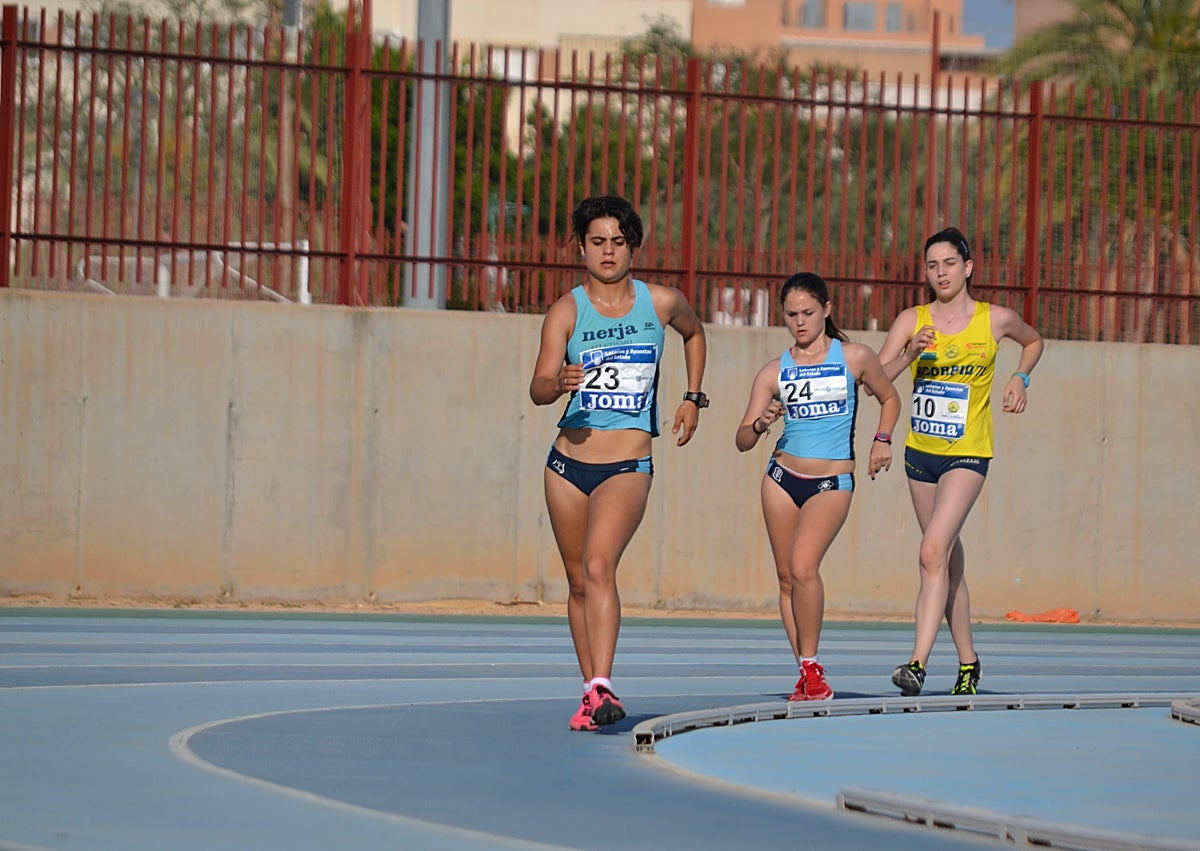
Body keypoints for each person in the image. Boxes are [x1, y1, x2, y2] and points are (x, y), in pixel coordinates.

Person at [529, 195, 708, 731]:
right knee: (578, 581)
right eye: (597, 242)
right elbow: (537, 388)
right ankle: (589, 693)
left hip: (627, 466)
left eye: (618, 242)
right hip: (566, 464)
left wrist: (692, 397)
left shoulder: (661, 303)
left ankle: (603, 682)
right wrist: (555, 382)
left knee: (600, 565)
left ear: (633, 246)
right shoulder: (566, 309)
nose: (608, 251)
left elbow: (696, 334)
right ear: (581, 247)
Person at [878, 227, 1044, 696]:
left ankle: (917, 663)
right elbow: (875, 377)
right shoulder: (912, 320)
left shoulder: (996, 320)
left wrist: (1020, 379)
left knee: (931, 553)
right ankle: (969, 663)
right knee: (946, 560)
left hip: (968, 453)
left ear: (967, 267)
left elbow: (1033, 342)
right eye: (932, 266)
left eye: (949, 263)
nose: (941, 273)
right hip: (920, 456)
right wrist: (910, 354)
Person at [736, 272, 899, 701]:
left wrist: (881, 441)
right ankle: (808, 673)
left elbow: (890, 397)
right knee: (787, 577)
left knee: (804, 566)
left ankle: (812, 667)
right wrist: (759, 422)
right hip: (781, 479)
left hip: (831, 481)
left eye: (808, 312)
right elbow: (742, 440)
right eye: (791, 315)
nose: (800, 321)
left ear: (827, 309)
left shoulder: (855, 357)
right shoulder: (774, 371)